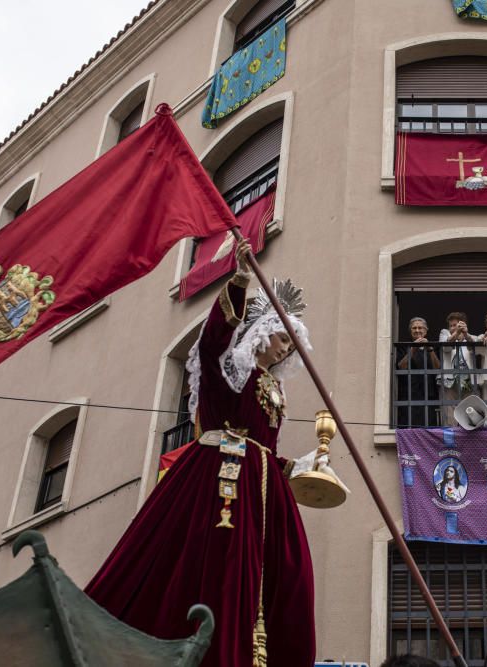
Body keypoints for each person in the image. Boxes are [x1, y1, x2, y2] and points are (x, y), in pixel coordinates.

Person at [85, 239, 316, 667]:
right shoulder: (229, 372)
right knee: (223, 566)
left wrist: (294, 466)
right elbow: (211, 345)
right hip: (220, 480)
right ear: (261, 335)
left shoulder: (275, 388)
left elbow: (265, 447)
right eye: (281, 338)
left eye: (291, 344)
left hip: (263, 491)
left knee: (291, 573)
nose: (285, 348)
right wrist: (240, 283)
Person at [396, 317, 440, 427]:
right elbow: (401, 366)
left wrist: (429, 348)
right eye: (414, 328)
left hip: (429, 394)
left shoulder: (432, 347)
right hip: (409, 395)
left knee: (429, 426)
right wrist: (413, 348)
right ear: (410, 331)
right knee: (409, 426)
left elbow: (438, 368)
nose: (417, 330)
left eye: (420, 328)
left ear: (426, 331)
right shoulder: (403, 347)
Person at [439, 312, 478, 425]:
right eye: (450, 326)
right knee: (449, 415)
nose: (452, 328)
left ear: (463, 324)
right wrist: (456, 333)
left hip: (469, 382)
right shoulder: (444, 335)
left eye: (455, 325)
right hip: (449, 382)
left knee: (470, 415)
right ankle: (452, 439)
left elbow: (474, 348)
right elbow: (446, 348)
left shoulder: (471, 338)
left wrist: (466, 334)